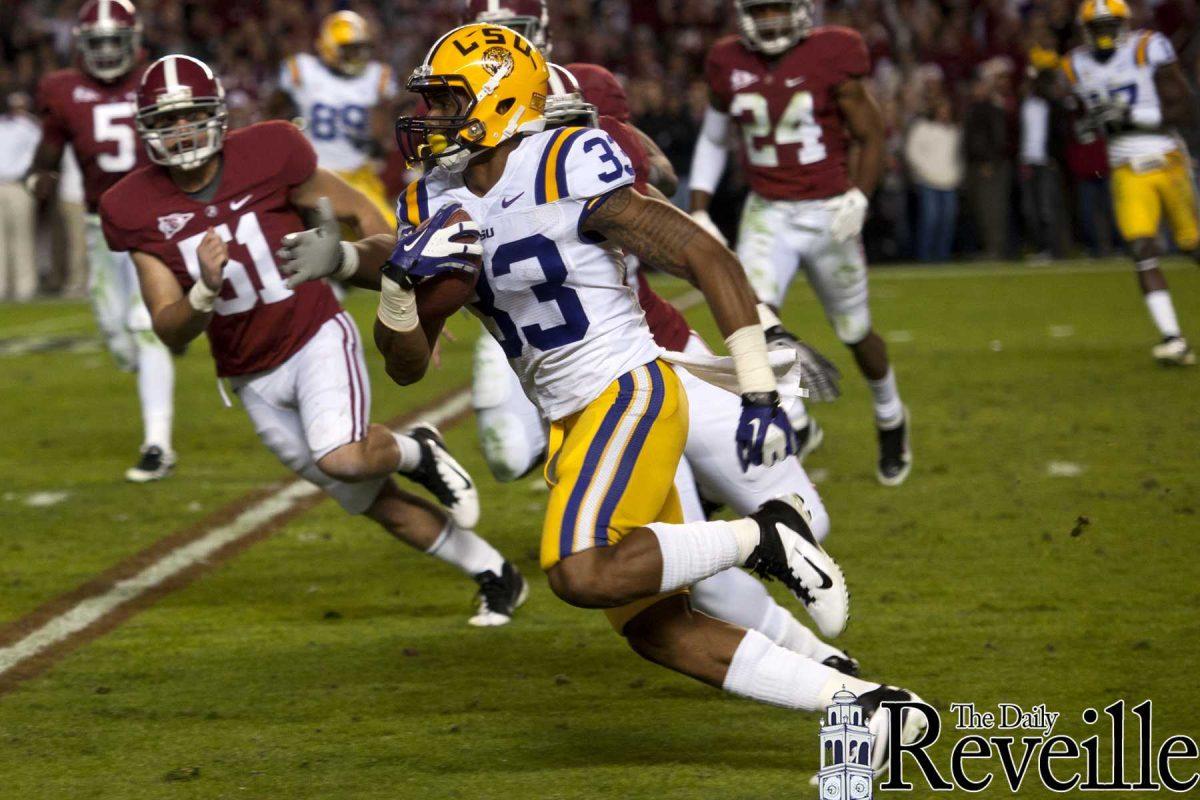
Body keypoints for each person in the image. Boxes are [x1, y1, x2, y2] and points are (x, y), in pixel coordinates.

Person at [279, 24, 925, 772]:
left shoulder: (561, 160)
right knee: (657, 630)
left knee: (580, 570)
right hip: (570, 417)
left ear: (500, 97)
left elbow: (703, 253)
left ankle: (765, 537)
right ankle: (872, 707)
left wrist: (753, 379)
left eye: (450, 101)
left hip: (628, 389)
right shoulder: (433, 194)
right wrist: (392, 284)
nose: (433, 119)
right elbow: (406, 366)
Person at [98, 54, 527, 626]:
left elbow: (358, 212)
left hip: (313, 335)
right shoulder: (133, 206)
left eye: (190, 115)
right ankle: (497, 573)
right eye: (166, 120)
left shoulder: (270, 152)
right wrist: (202, 290)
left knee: (345, 456)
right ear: (147, 128)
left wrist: (411, 293)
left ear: (217, 115)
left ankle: (418, 450)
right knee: (375, 503)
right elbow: (168, 324)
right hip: (247, 374)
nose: (180, 131)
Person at [688, 0, 913, 486]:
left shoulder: (833, 53)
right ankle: (798, 419)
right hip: (768, 210)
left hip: (830, 212)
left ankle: (891, 415)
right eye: (760, 12)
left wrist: (860, 196)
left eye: (778, 10)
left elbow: (871, 135)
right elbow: (713, 137)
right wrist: (700, 205)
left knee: (856, 333)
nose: (770, 21)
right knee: (752, 320)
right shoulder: (728, 61)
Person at [24, 0, 178, 481]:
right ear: (81, 46)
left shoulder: (158, 81)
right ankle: (159, 353)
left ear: (135, 41)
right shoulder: (61, 89)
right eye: (99, 42)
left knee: (145, 324)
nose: (109, 51)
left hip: (153, 222)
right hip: (98, 225)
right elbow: (47, 154)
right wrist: (39, 179)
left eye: (117, 41)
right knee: (118, 335)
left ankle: (158, 443)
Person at [1063, 0, 1200, 365]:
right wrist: (1084, 122)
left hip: (1167, 157)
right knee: (1141, 249)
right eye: (1099, 27)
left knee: (1192, 245)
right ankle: (1173, 338)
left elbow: (1186, 108)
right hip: (1125, 163)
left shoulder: (1147, 47)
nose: (1105, 34)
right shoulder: (1075, 65)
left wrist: (1130, 116)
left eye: (1111, 25)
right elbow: (1073, 117)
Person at [269, 10, 398, 228]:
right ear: (328, 47)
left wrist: (379, 134)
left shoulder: (376, 76)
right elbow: (274, 111)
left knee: (387, 232)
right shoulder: (302, 69)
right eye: (350, 49)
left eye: (361, 48)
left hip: (358, 173)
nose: (358, 55)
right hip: (313, 175)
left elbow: (381, 131)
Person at [903, 96, 962, 263]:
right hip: (928, 181)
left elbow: (958, 157)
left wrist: (957, 175)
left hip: (949, 181)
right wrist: (924, 171)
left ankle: (942, 257)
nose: (945, 113)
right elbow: (911, 152)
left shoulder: (954, 131)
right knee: (931, 219)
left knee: (948, 220)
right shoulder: (922, 128)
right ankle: (925, 257)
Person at [0, 91, 40, 302]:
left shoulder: (32, 128)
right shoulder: (2, 125)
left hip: (18, 185)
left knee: (22, 238)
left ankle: (25, 287)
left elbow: (37, 158)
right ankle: (2, 286)